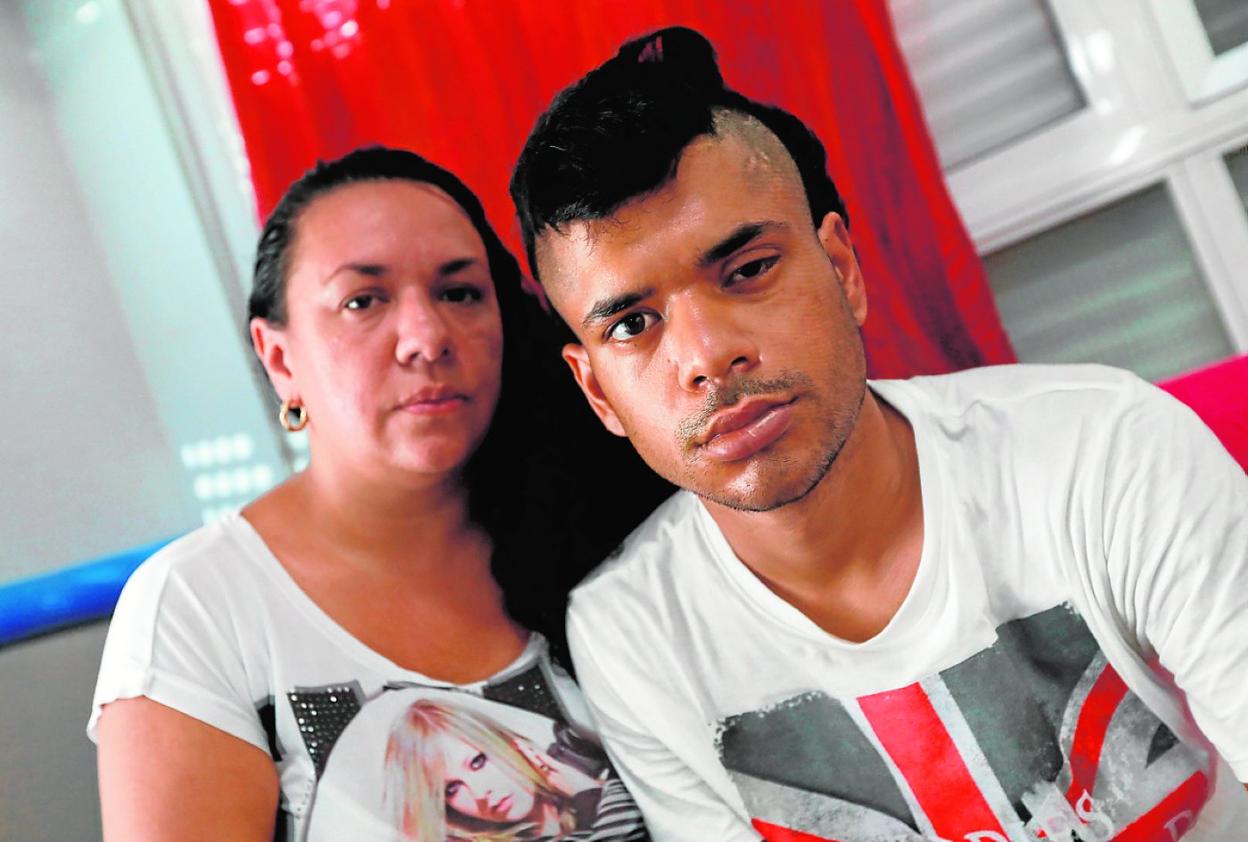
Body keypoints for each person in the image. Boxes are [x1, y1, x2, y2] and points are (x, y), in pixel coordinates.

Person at [509, 26, 1248, 842]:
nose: (707, 355)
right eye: (632, 325)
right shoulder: (633, 632)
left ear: (843, 270)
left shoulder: (1103, 451)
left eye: (748, 271)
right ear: (597, 392)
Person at [89, 147, 652, 841]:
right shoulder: (200, 604)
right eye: (363, 301)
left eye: (459, 293)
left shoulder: (605, 524)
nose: (426, 338)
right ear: (279, 359)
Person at [385, 698, 637, 840]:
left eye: (477, 762)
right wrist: (585, 791)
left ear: (512, 746)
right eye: (451, 789)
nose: (480, 792)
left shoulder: (610, 769)